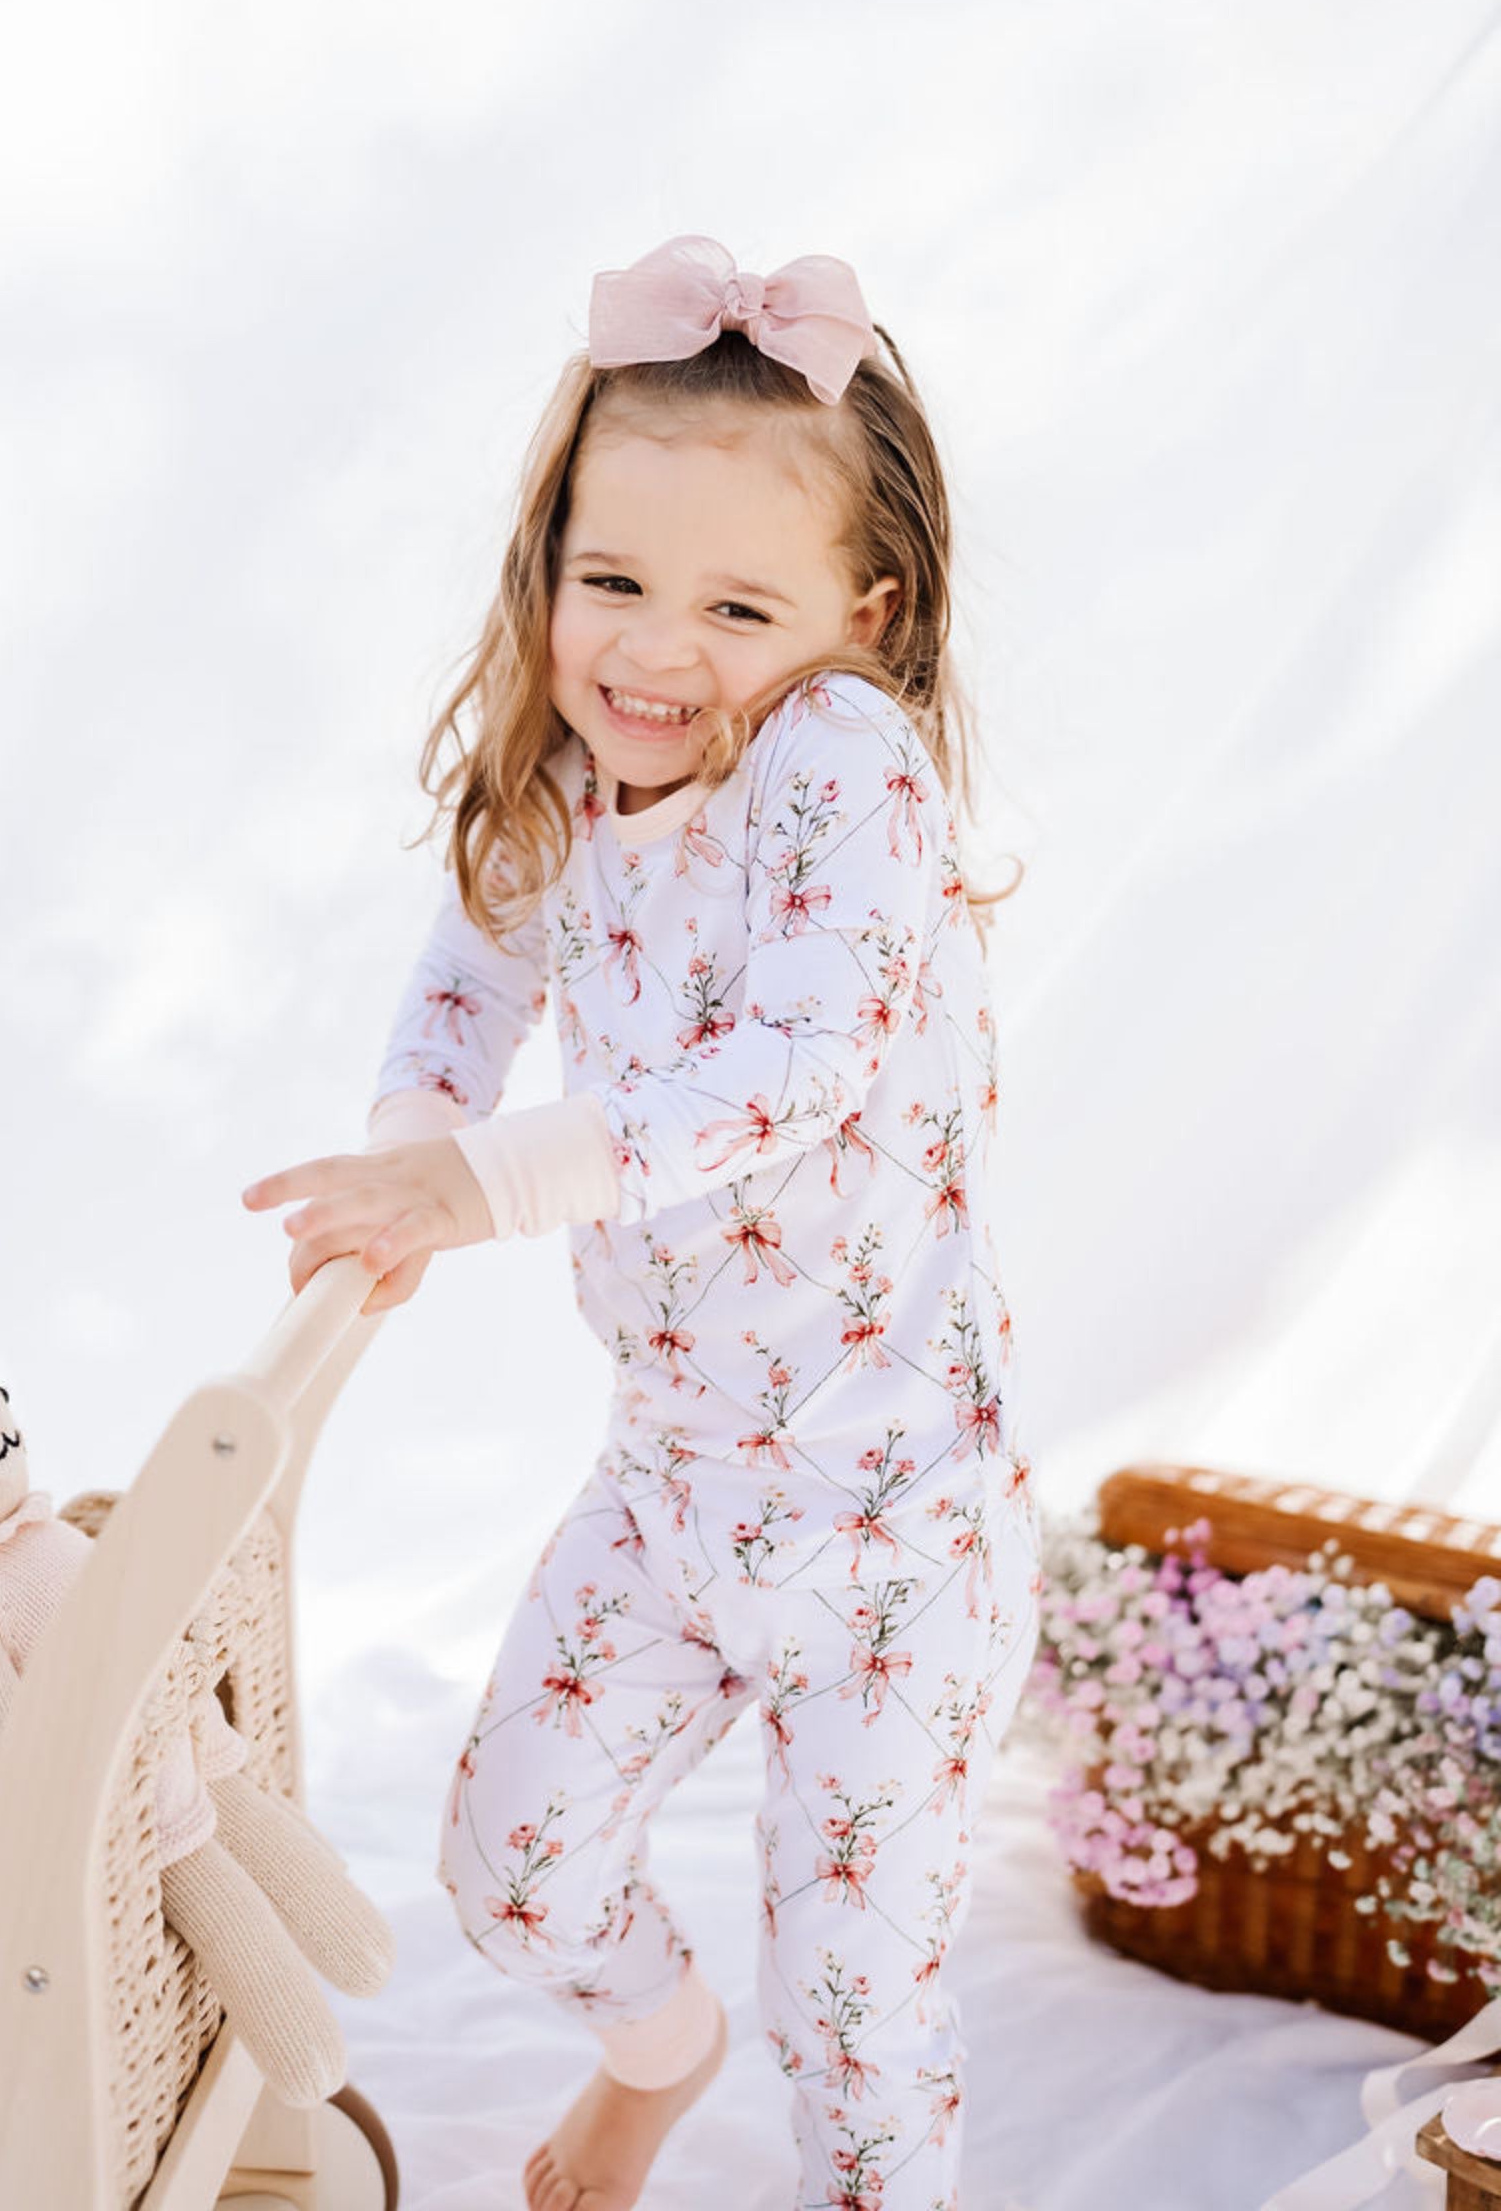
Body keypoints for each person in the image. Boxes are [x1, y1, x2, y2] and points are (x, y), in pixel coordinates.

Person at [243, 233, 1040, 2211]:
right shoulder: (568, 773)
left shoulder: (843, 767)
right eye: (610, 581)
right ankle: (650, 2060)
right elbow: (467, 974)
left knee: (852, 2004)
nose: (653, 651)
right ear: (547, 569)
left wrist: (484, 1182)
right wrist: (407, 1144)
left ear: (859, 614)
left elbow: (791, 1076)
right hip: (677, 1485)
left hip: (899, 1531)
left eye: (736, 603)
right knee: (505, 1870)